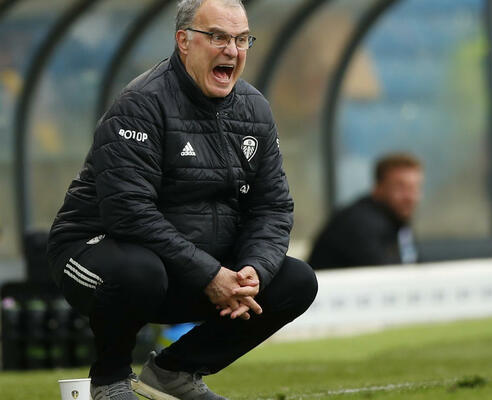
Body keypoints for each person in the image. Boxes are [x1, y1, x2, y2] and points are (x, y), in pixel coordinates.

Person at [46, 1, 318, 399]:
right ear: (184, 41)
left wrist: (252, 269)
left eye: (242, 39)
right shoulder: (141, 103)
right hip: (94, 254)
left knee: (295, 281)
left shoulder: (255, 109)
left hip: (189, 269)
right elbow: (128, 213)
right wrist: (209, 274)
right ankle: (109, 380)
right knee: (140, 272)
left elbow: (272, 207)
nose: (232, 50)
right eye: (218, 37)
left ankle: (174, 373)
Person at [308, 153, 423, 269]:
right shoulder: (359, 223)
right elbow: (386, 273)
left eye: (415, 188)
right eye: (400, 188)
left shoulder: (397, 220)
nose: (410, 197)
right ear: (378, 188)